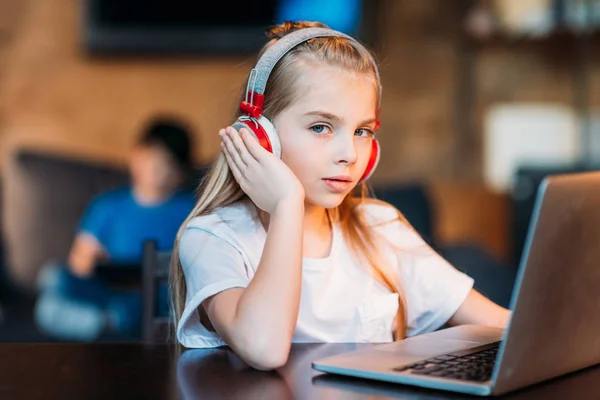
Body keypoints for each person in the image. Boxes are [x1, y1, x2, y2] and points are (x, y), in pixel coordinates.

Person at [170, 21, 511, 370]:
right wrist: (286, 205)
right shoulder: (214, 238)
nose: (349, 153)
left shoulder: (380, 228)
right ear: (261, 137)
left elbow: (505, 326)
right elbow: (264, 348)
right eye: (321, 127)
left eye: (363, 131)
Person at [34, 116, 197, 341]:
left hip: (158, 293)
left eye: (166, 162)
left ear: (181, 171)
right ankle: (104, 321)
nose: (156, 168)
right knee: (52, 283)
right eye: (150, 157)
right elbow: (79, 263)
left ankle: (105, 320)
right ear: (136, 156)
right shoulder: (107, 206)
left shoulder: (190, 209)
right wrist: (96, 263)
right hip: (108, 290)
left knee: (160, 298)